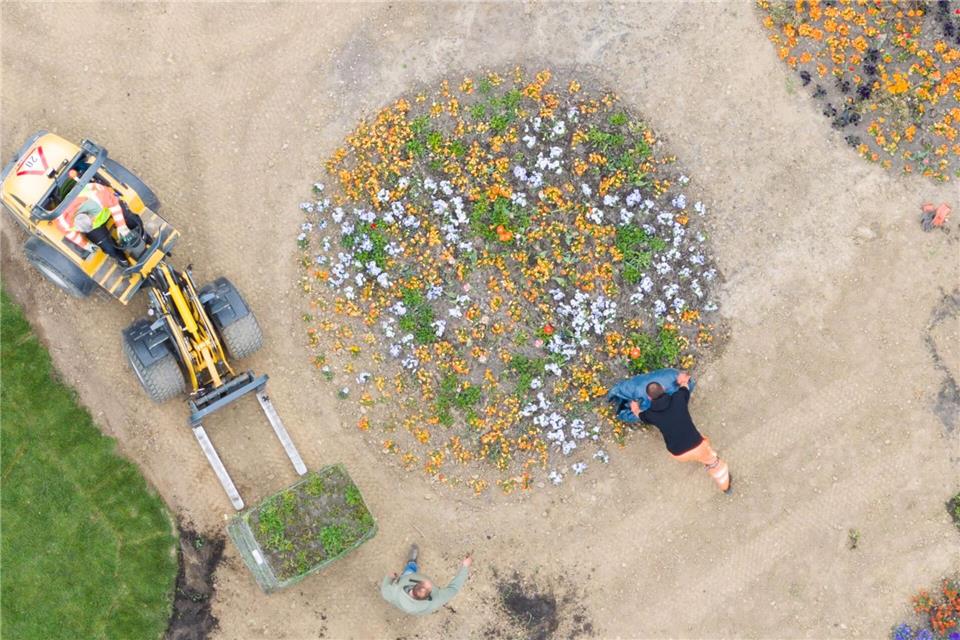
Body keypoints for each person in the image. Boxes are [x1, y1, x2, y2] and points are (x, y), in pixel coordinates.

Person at [624, 369, 732, 494]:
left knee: (699, 449)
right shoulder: (679, 398)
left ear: (648, 398)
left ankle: (706, 460)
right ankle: (725, 487)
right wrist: (682, 380)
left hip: (678, 453)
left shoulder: (650, 415)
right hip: (697, 445)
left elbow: (638, 414)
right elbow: (684, 385)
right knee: (715, 463)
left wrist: (635, 407)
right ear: (664, 388)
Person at [55, 170, 138, 260]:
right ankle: (122, 259)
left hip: (108, 209)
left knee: (132, 220)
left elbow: (114, 204)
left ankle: (144, 237)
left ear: (89, 213)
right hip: (97, 222)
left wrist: (121, 226)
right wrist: (86, 245)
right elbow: (71, 234)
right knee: (108, 247)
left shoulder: (96, 196)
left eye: (92, 220)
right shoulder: (62, 222)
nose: (94, 220)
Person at [380, 544, 472, 615]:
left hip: (407, 579)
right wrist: (465, 567)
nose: (429, 582)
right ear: (428, 596)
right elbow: (454, 589)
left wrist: (390, 577)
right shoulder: (436, 601)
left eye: (423, 583)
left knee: (409, 572)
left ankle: (412, 562)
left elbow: (384, 590)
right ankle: (412, 563)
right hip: (418, 609)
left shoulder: (394, 591)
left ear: (413, 588)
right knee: (411, 570)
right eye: (430, 587)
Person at [606, 367, 694, 423]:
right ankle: (621, 414)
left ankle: (620, 410)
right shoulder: (673, 404)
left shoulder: (671, 372)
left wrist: (635, 409)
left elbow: (640, 414)